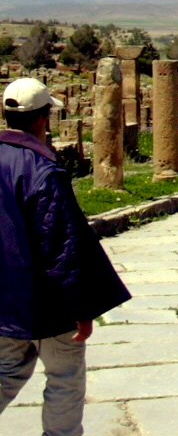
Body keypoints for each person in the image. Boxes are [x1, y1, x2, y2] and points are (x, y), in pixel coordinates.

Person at [1, 77, 131, 436]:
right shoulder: (44, 171)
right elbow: (62, 246)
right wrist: (81, 308)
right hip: (46, 303)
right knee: (64, 379)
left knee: (7, 372)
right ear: (44, 119)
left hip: (4, 302)